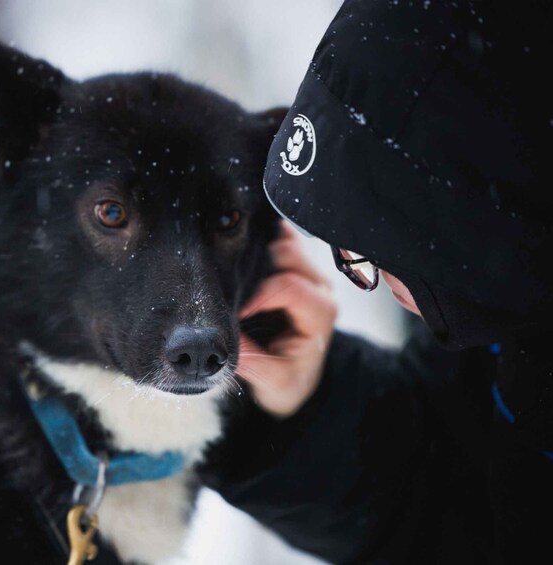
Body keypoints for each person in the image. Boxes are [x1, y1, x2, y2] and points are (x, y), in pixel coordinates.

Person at [208, 1, 552, 563]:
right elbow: (461, 497)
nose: (365, 276)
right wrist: (308, 406)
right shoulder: (508, 316)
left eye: (388, 249)